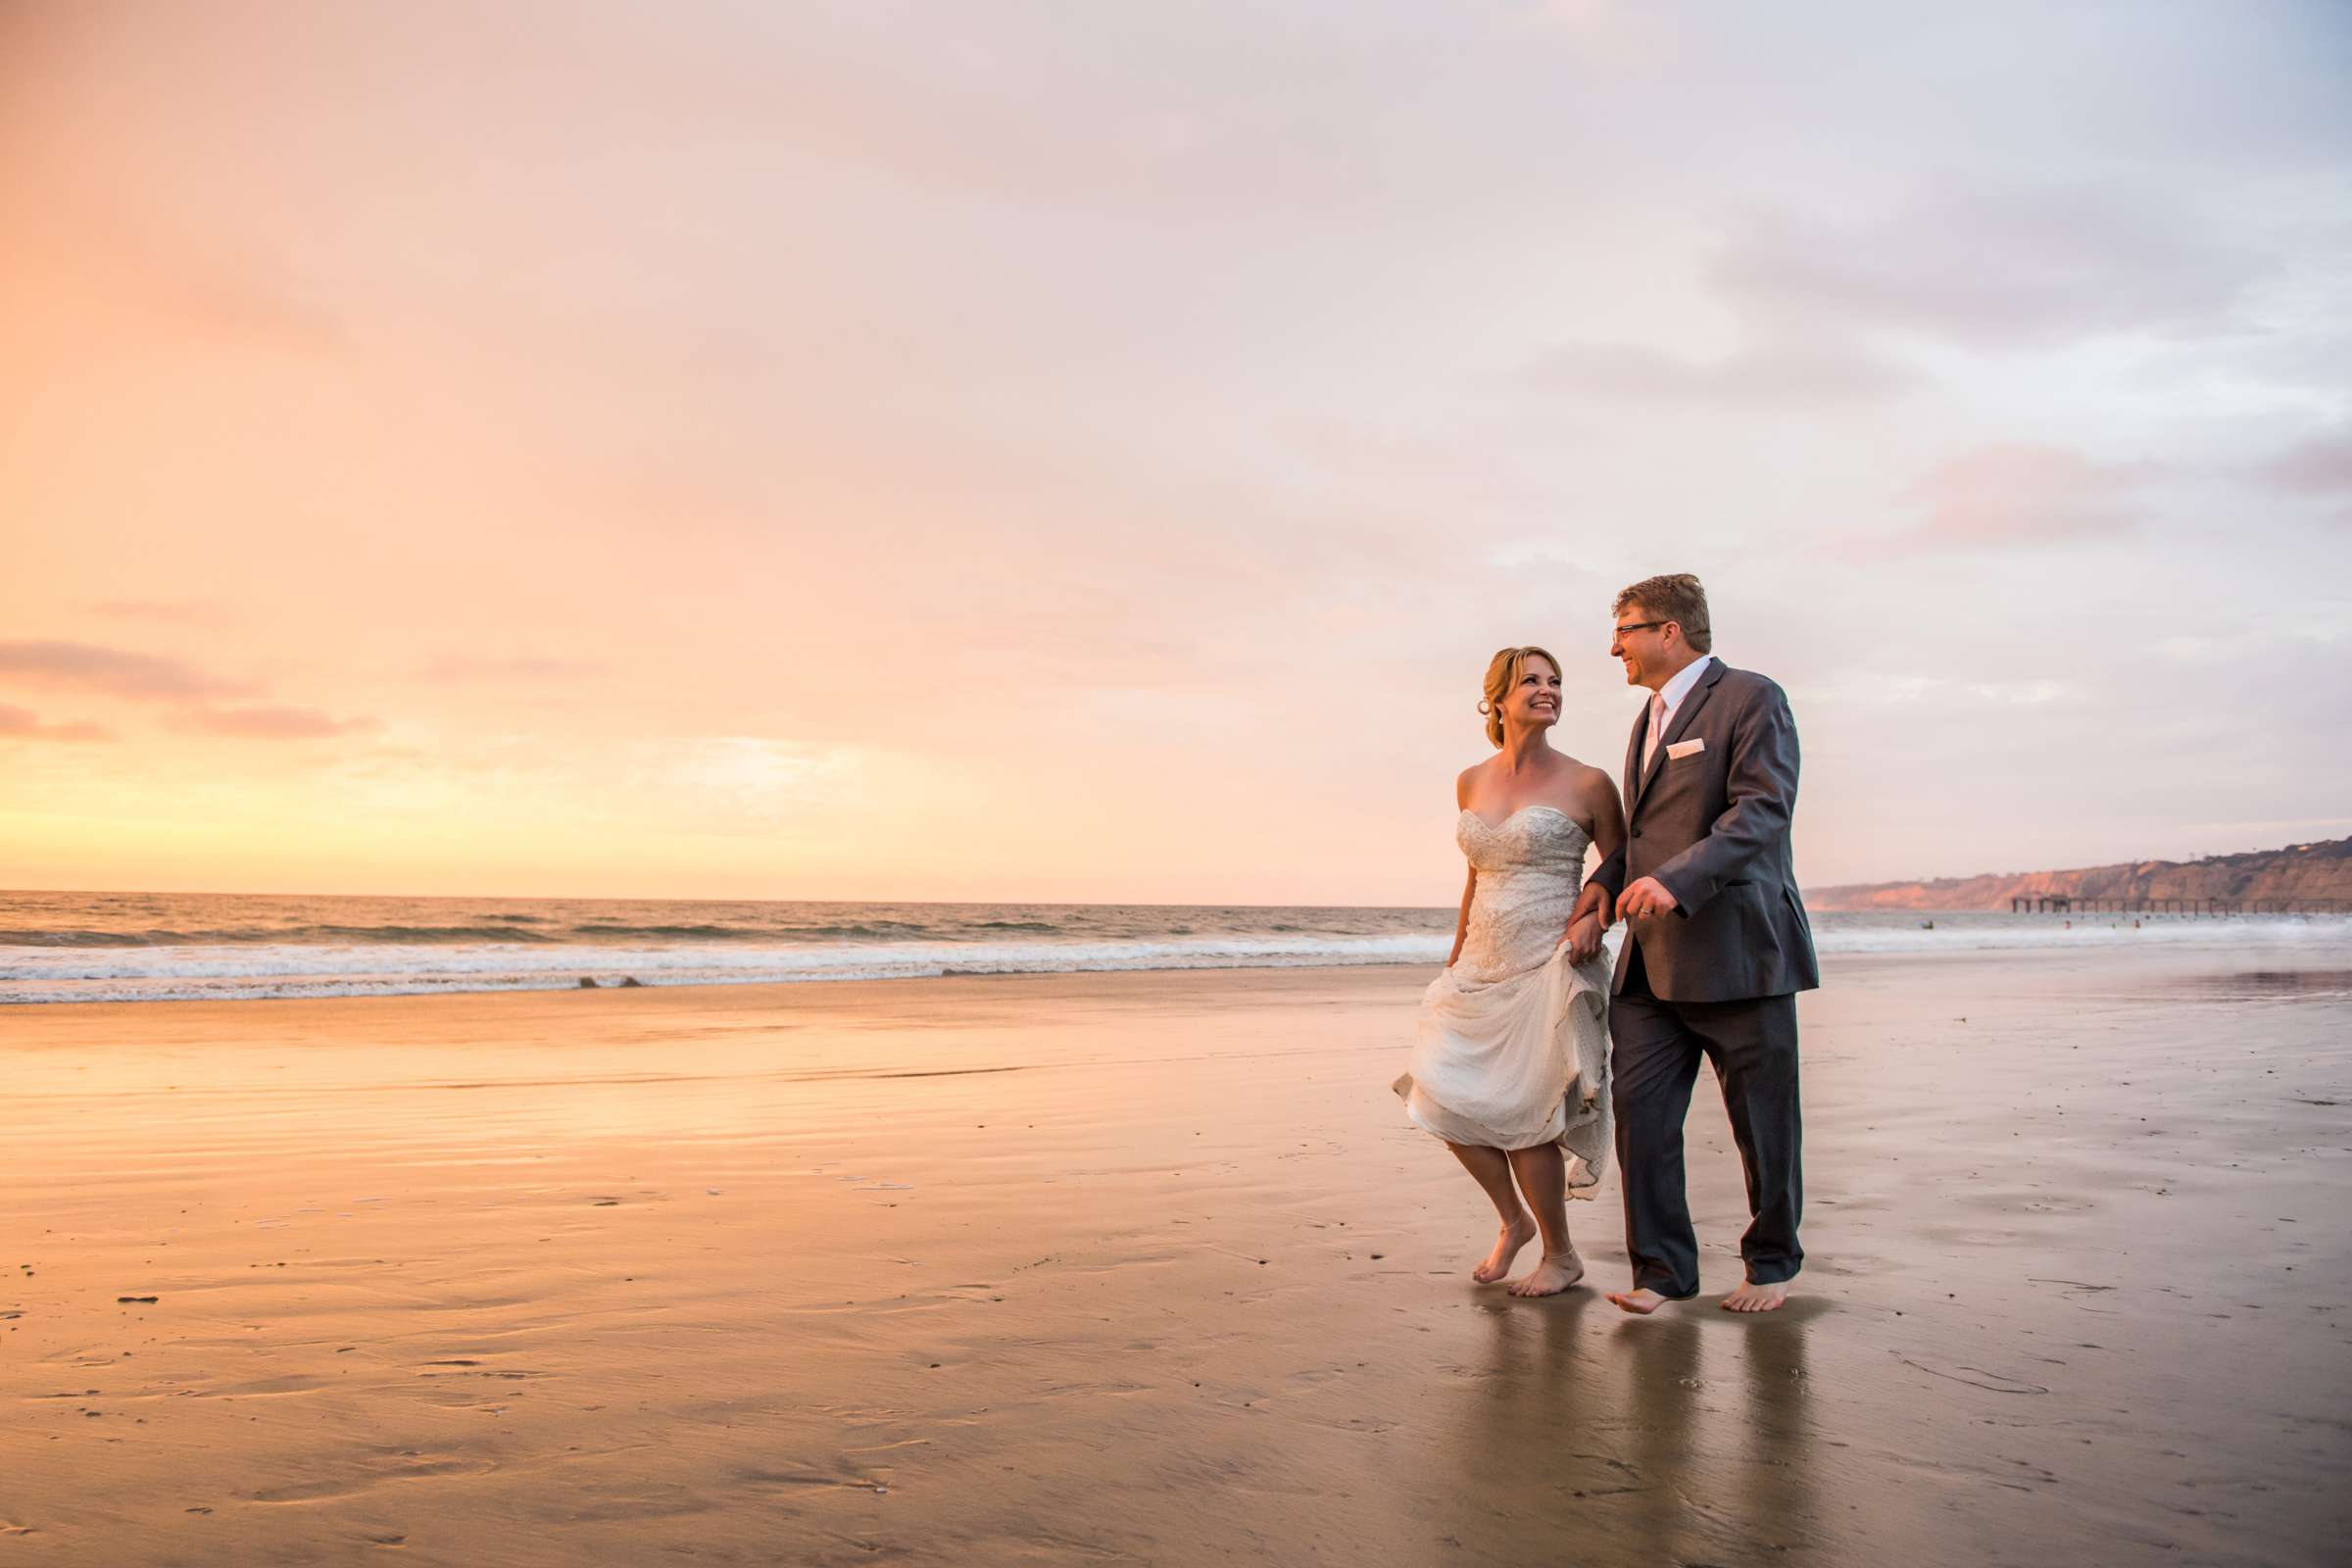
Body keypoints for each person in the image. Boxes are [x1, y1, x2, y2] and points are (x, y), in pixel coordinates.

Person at [1588, 575, 1818, 1315]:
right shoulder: (1645, 720)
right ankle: (1662, 1272)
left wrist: (1678, 882)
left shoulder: (1752, 698)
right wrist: (1605, 884)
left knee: (1764, 1122)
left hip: (1739, 952)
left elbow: (1761, 814)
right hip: (1651, 966)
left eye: (1623, 629)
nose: (1613, 645)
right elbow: (1648, 832)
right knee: (1643, 1116)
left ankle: (1772, 1265)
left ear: (1669, 632)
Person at [1395, 645, 1625, 1298]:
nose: (1547, 690)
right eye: (1532, 681)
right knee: (1437, 1097)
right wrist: (1454, 955)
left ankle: (1561, 1255)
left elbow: (1621, 866)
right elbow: (1474, 876)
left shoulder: (1589, 783)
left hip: (1548, 965)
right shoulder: (1470, 780)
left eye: (1555, 682)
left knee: (1526, 1116)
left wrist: (1592, 920)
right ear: (1498, 696)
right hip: (1477, 967)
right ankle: (1513, 1222)